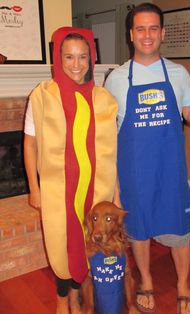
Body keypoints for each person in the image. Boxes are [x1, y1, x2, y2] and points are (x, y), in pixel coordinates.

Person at [105, 3, 190, 314]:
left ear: (162, 33)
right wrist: (115, 184)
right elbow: (108, 135)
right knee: (139, 229)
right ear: (131, 34)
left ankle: (183, 285)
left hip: (170, 171)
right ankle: (145, 281)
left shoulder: (178, 73)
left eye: (153, 28)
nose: (147, 35)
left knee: (179, 229)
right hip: (133, 173)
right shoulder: (116, 79)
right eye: (140, 28)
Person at [24, 27, 118, 314]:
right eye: (69, 57)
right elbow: (30, 145)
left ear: (91, 59)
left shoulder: (103, 99)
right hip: (57, 190)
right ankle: (62, 297)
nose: (76, 65)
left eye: (82, 57)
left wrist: (114, 193)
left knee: (86, 243)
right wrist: (34, 189)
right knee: (59, 244)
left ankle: (77, 295)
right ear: (58, 58)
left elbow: (112, 152)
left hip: (94, 188)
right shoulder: (42, 96)